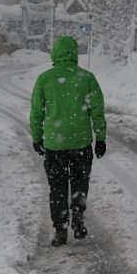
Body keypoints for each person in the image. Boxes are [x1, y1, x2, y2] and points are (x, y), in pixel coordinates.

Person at [29, 35, 106, 247]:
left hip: (55, 145)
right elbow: (97, 110)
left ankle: (60, 228)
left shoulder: (45, 79)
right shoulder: (87, 78)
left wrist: (37, 137)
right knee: (80, 182)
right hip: (81, 143)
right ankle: (78, 215)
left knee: (57, 187)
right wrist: (100, 137)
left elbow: (36, 112)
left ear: (55, 53)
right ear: (74, 52)